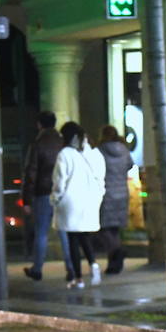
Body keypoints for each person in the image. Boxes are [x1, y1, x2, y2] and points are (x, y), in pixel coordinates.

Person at [51, 121, 106, 288]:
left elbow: (60, 181)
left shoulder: (65, 154)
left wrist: (55, 198)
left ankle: (78, 279)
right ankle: (94, 265)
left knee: (72, 240)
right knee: (84, 236)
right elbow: (101, 177)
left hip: (70, 203)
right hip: (89, 202)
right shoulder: (94, 154)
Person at [21, 111, 65, 281]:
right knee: (64, 232)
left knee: (41, 233)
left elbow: (31, 172)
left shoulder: (38, 144)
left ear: (39, 124)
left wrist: (26, 198)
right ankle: (71, 268)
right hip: (61, 193)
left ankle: (37, 268)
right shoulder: (63, 142)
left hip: (43, 193)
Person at [95, 125, 134, 274]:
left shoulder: (100, 151)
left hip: (106, 193)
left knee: (103, 228)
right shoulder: (124, 150)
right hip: (122, 193)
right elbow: (130, 165)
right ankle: (114, 264)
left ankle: (117, 251)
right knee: (114, 229)